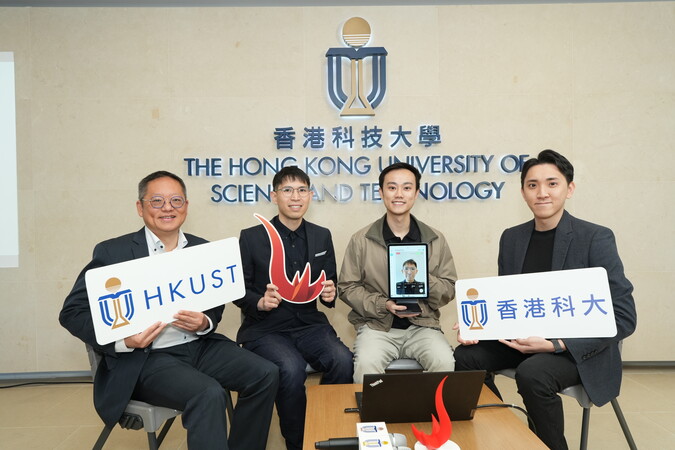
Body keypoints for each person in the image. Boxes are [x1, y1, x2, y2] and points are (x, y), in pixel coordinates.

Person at [59, 171, 279, 450]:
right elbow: (72, 312)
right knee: (208, 393)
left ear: (186, 206)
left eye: (176, 200)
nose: (168, 208)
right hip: (147, 358)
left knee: (265, 373)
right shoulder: (113, 252)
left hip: (200, 346)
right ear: (140, 208)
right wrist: (125, 341)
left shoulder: (203, 249)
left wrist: (205, 322)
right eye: (157, 201)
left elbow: (215, 302)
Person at [453, 150, 637, 450]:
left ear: (570, 188)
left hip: (575, 350)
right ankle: (507, 433)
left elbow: (624, 317)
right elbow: (507, 305)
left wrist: (557, 343)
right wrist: (477, 326)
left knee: (533, 373)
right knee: (464, 357)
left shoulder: (596, 238)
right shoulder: (511, 238)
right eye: (532, 185)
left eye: (552, 183)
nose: (542, 193)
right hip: (526, 342)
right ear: (523, 192)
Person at [235, 166, 353, 450]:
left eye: (301, 190)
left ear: (310, 195)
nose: (295, 197)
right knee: (290, 368)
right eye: (287, 190)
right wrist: (259, 302)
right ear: (275, 196)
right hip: (265, 328)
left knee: (344, 360)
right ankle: (299, 443)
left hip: (309, 324)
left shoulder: (321, 235)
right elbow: (238, 288)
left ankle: (327, 431)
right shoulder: (251, 237)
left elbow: (330, 279)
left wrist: (329, 292)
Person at [339, 162, 457, 383]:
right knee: (366, 364)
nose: (399, 194)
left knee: (444, 361)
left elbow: (449, 287)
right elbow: (347, 287)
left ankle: (432, 417)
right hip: (377, 327)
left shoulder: (435, 239)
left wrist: (421, 281)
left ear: (416, 193)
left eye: (406, 187)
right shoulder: (361, 239)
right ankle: (372, 418)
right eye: (392, 188)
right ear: (381, 192)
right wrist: (384, 305)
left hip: (423, 326)